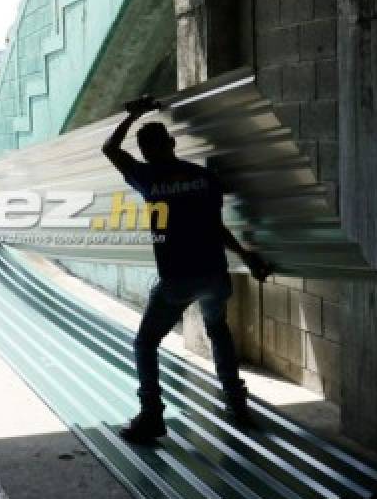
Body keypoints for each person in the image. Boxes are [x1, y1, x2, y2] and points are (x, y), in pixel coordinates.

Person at [102, 94, 272, 445]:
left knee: (146, 342)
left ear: (146, 152)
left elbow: (109, 148)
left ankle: (151, 415)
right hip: (214, 274)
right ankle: (236, 403)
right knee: (218, 330)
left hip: (177, 279)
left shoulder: (148, 178)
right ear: (172, 143)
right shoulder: (204, 177)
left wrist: (132, 115)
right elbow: (215, 226)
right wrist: (246, 254)